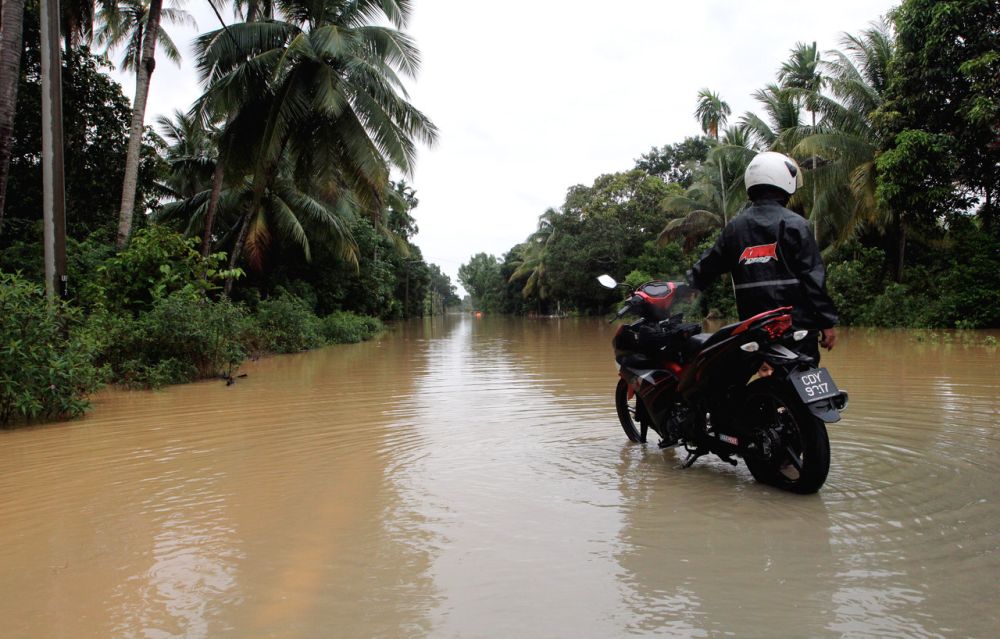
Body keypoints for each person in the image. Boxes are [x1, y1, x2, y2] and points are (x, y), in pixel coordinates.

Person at [687, 151, 838, 364]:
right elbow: (813, 278)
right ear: (783, 180)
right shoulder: (796, 225)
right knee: (805, 374)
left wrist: (685, 289)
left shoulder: (735, 229)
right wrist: (827, 322)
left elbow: (707, 267)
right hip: (796, 328)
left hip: (753, 329)